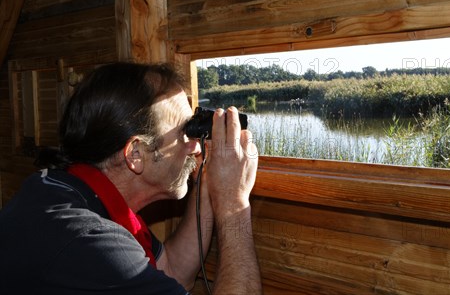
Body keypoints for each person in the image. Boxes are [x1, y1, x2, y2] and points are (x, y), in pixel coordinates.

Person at [0, 62, 262, 294]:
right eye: (186, 133)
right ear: (135, 153)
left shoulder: (74, 190)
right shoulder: (91, 241)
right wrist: (233, 203)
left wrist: (210, 181)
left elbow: (173, 273)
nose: (194, 147)